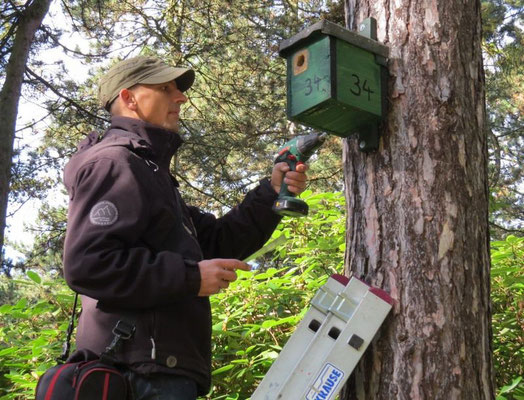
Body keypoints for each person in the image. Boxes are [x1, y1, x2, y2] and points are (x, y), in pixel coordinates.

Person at [62, 56, 308, 399]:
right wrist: (191, 278)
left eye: (178, 89)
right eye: (165, 89)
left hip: (157, 369)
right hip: (139, 373)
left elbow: (216, 240)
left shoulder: (151, 173)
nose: (181, 98)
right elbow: (89, 264)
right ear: (129, 99)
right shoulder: (114, 163)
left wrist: (271, 191)